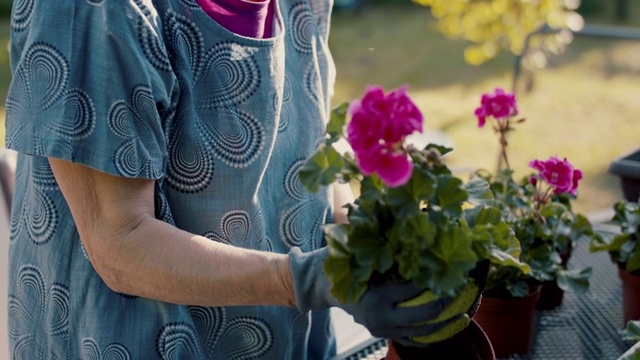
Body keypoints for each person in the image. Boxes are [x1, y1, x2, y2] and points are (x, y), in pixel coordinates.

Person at [4, 0, 474, 358]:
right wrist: (313, 280)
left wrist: (369, 245)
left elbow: (307, 144)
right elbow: (119, 241)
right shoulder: (92, 10)